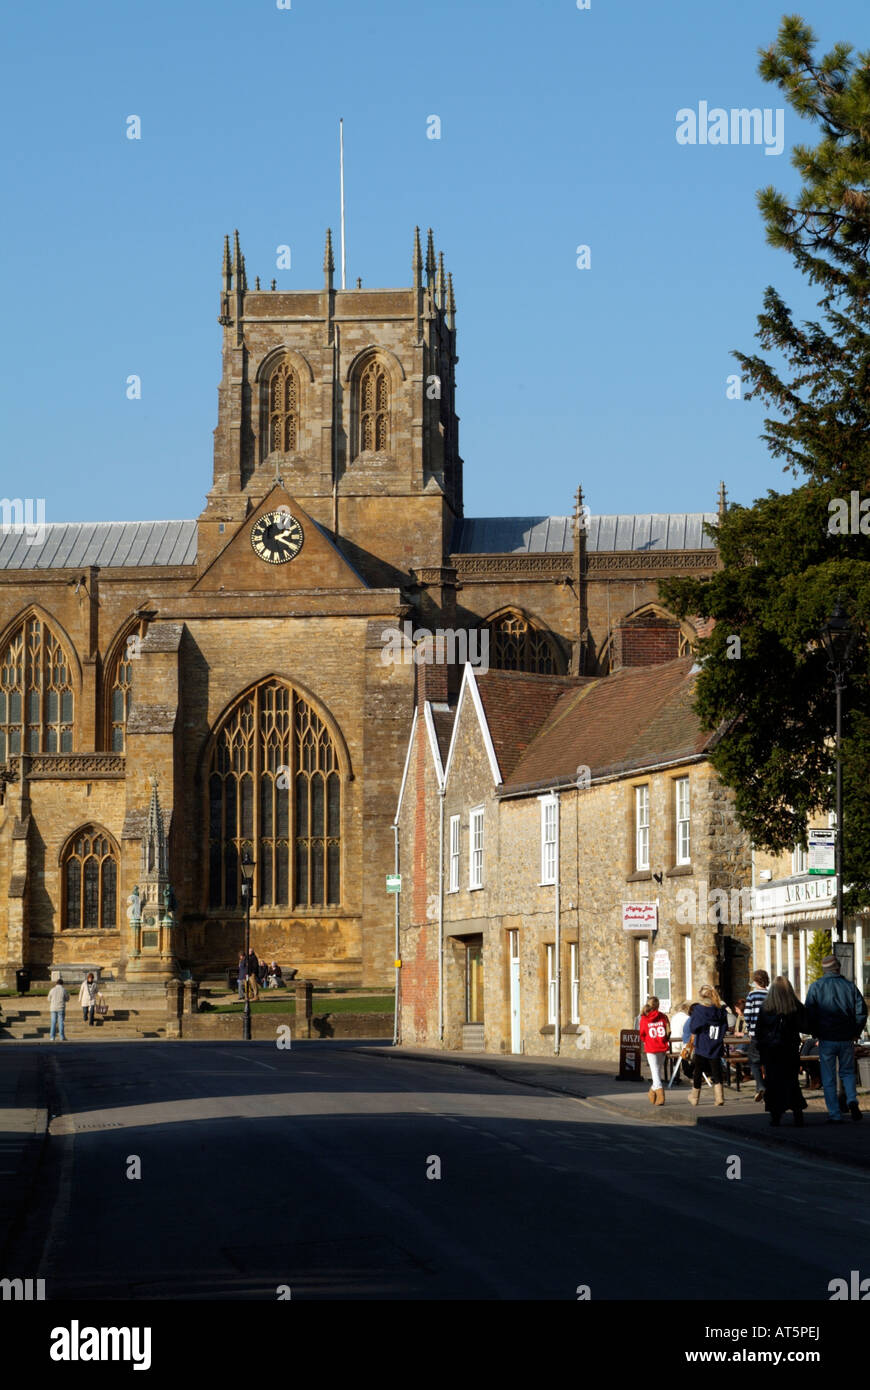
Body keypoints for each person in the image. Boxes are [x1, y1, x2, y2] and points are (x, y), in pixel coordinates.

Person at [804, 955, 868, 1124]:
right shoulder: (850, 986)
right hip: (846, 1037)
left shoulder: (816, 987)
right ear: (838, 968)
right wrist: (856, 1031)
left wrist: (815, 1032)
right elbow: (861, 1012)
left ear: (825, 970)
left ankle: (834, 1113)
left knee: (828, 1076)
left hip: (826, 1037)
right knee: (847, 1072)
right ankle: (852, 1100)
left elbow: (809, 1014)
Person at [755, 976, 807, 1127]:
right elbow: (805, 1026)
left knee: (773, 1083)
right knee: (792, 1082)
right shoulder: (795, 1007)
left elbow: (759, 1032)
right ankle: (798, 1113)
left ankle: (775, 1115)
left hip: (771, 1050)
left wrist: (761, 1048)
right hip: (789, 1049)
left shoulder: (766, 1008)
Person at [688, 985, 728, 1107]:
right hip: (716, 1042)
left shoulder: (700, 1010)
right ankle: (719, 1097)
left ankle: (695, 1097)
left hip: (703, 1043)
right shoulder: (721, 1010)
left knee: (698, 1070)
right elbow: (725, 1026)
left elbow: (693, 1027)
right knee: (716, 1071)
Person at [742, 969, 770, 1103]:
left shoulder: (752, 995)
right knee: (768, 1062)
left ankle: (760, 1086)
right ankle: (768, 1090)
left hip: (756, 1034)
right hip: (770, 1034)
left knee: (754, 1061)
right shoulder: (770, 994)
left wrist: (749, 1026)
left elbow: (747, 1015)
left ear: (755, 981)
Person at [639, 996, 670, 1106]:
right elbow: (668, 1031)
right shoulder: (663, 1016)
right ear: (658, 1005)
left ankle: (660, 1096)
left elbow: (642, 1034)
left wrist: (646, 1040)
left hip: (651, 1047)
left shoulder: (644, 1018)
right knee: (657, 1071)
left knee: (655, 1072)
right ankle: (652, 1091)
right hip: (662, 1046)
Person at [48, 977, 69, 1042]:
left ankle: (52, 1037)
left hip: (53, 1008)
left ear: (56, 983)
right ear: (62, 984)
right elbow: (67, 999)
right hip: (61, 1008)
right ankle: (62, 1036)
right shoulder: (64, 990)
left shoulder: (52, 990)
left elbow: (48, 999)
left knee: (53, 1022)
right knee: (61, 1022)